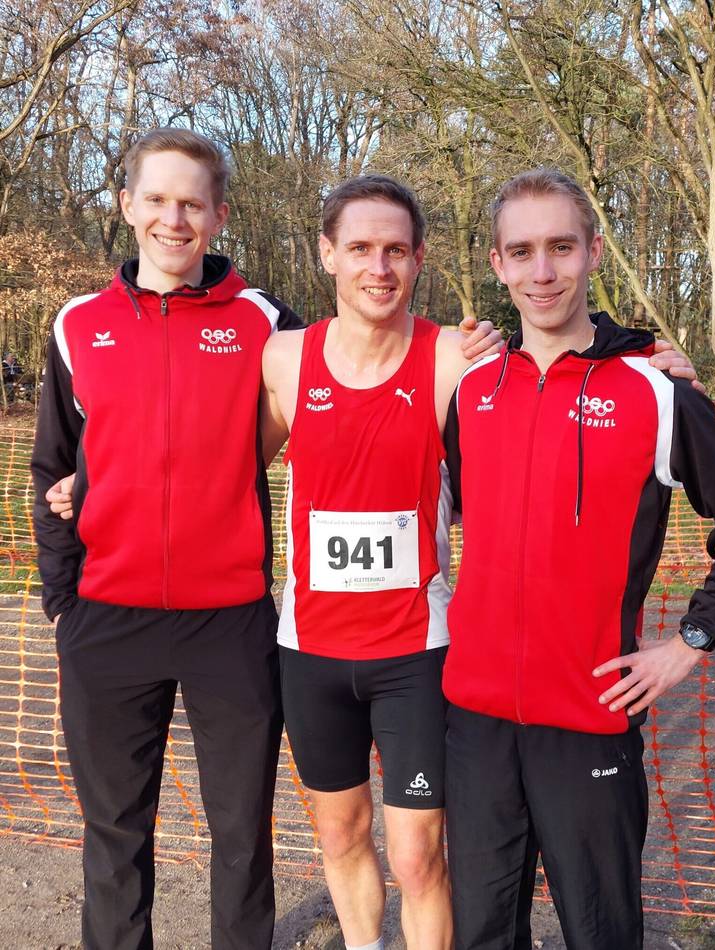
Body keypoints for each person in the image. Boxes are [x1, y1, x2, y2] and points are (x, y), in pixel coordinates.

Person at [31, 134, 500, 950]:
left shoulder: (264, 326)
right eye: (157, 199)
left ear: (217, 215)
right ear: (128, 207)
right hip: (108, 618)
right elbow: (52, 469)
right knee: (113, 833)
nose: (174, 219)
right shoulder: (78, 326)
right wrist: (64, 600)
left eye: (192, 203)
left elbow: (332, 384)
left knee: (245, 834)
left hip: (235, 621)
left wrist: (631, 351)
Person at [258, 174, 703, 950]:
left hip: (420, 654)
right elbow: (217, 464)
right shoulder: (284, 358)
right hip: (315, 649)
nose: (378, 266)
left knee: (419, 857)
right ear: (326, 253)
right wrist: (84, 480)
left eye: (396, 250)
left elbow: (552, 395)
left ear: (420, 259)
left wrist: (663, 376)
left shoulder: (459, 363)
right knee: (341, 837)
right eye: (360, 247)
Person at [441, 169, 715, 949]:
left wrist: (689, 642)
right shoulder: (471, 390)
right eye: (522, 251)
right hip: (475, 720)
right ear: (497, 264)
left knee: (601, 932)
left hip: (590, 715)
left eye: (561, 246)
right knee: (481, 932)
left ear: (593, 251)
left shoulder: (655, 390)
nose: (543, 271)